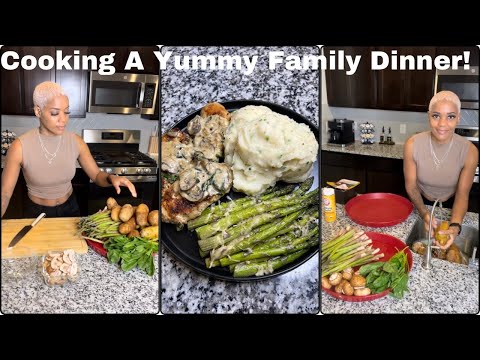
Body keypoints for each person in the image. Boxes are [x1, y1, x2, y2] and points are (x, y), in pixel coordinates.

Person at [1, 81, 137, 218]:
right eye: (55, 113)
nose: (64, 119)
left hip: (70, 209)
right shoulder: (19, 146)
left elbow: (96, 176)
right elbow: (4, 194)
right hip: (36, 212)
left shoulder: (76, 141)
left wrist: (111, 177)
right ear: (38, 111)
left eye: (66, 112)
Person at [404, 90, 478, 250]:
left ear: (458, 118)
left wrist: (455, 226)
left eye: (450, 116)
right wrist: (424, 213)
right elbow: (411, 186)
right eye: (436, 116)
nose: (442, 124)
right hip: (421, 201)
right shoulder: (412, 144)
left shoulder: (470, 151)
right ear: (429, 116)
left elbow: (462, 194)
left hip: (452, 203)